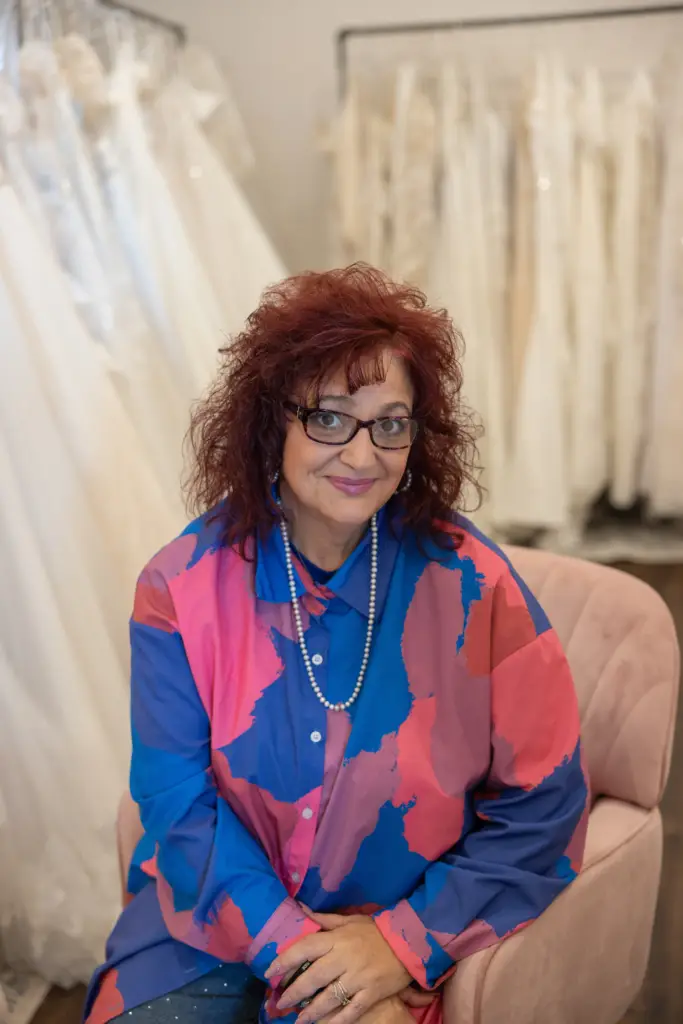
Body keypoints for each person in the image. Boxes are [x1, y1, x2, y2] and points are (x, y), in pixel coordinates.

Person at [84, 264, 589, 1024]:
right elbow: (175, 806)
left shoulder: (474, 585)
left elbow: (544, 800)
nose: (361, 456)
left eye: (389, 423)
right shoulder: (178, 588)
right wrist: (292, 949)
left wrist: (403, 943)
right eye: (328, 418)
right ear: (269, 423)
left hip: (379, 941)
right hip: (204, 931)